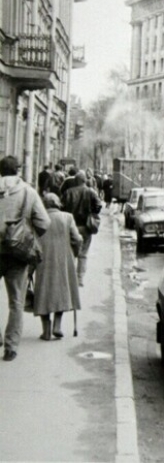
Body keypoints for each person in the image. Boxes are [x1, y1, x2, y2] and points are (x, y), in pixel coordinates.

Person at [0, 155, 51, 361]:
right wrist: (27, 232)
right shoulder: (28, 192)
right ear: (18, 171)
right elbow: (44, 223)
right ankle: (11, 347)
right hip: (17, 253)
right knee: (16, 302)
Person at [32, 193, 82, 341]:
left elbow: (31, 238)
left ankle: (46, 330)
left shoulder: (38, 219)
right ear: (57, 203)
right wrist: (75, 253)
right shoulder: (67, 217)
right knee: (62, 290)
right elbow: (77, 239)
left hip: (42, 259)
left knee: (43, 292)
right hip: (64, 258)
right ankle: (57, 326)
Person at [61, 172, 103, 287]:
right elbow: (99, 205)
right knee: (83, 253)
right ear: (85, 181)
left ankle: (70, 277)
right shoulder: (91, 192)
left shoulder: (68, 192)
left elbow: (62, 207)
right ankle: (80, 278)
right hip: (86, 226)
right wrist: (92, 213)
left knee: (70, 252)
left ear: (76, 181)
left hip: (71, 226)